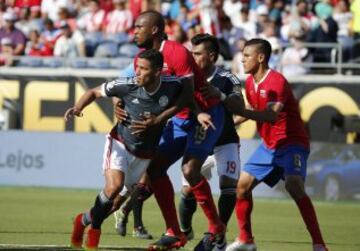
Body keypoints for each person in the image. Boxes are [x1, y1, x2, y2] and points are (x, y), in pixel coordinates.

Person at [66, 49, 211, 250]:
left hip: (144, 155)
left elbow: (187, 99)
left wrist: (200, 113)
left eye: (143, 69)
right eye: (137, 67)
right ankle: (94, 234)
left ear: (158, 71)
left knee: (115, 202)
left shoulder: (172, 85)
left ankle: (82, 220)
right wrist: (78, 107)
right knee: (113, 187)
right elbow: (94, 92)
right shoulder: (127, 84)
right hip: (120, 143)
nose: (138, 72)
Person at [114, 10, 227, 251]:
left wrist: (158, 119)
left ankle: (216, 228)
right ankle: (174, 233)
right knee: (154, 170)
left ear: (154, 30)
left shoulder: (177, 53)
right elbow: (132, 89)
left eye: (138, 27)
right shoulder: (141, 58)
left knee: (190, 169)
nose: (133, 32)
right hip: (179, 118)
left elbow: (187, 94)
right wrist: (118, 104)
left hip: (204, 114)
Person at [225, 38, 328, 251]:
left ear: (260, 58)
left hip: (292, 143)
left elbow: (271, 116)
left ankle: (319, 245)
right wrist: (228, 124)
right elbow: (252, 110)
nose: (242, 60)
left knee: (293, 185)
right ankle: (246, 240)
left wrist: (241, 111)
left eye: (246, 56)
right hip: (269, 145)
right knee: (242, 187)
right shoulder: (251, 82)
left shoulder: (277, 81)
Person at [178, 33, 244, 251]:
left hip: (225, 141)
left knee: (228, 186)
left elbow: (239, 104)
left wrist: (221, 95)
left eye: (197, 53)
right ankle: (185, 231)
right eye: (190, 52)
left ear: (212, 56)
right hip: (199, 145)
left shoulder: (228, 78)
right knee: (187, 191)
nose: (192, 57)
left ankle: (217, 234)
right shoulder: (186, 76)